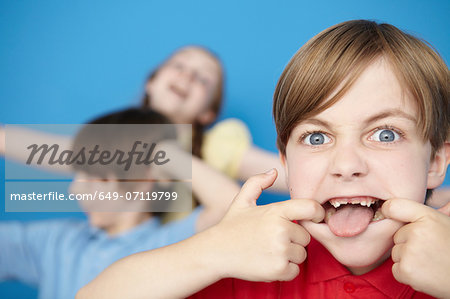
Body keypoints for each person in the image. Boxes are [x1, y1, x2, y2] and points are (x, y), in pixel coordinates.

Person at [76, 20, 450, 299]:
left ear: (435, 160)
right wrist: (215, 250)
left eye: (386, 134)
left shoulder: (220, 143)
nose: (346, 163)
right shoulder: (252, 264)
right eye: (316, 137)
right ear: (286, 162)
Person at [0, 108, 240, 299]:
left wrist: (163, 153)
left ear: (145, 177)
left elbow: (232, 205)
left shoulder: (170, 245)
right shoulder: (57, 242)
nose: (74, 188)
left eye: (92, 174)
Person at [0, 45, 287, 193]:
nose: (187, 75)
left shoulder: (217, 147)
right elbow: (55, 152)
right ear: (151, 82)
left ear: (207, 114)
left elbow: (286, 175)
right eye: (179, 65)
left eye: (203, 78)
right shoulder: (119, 142)